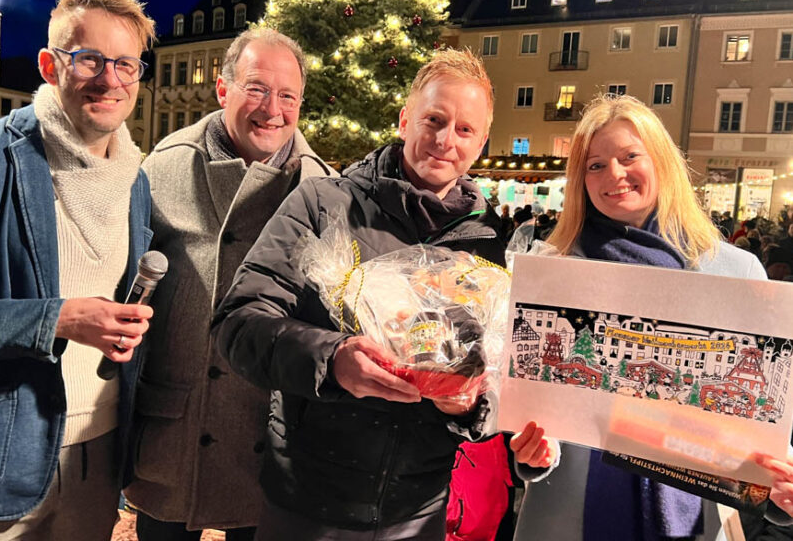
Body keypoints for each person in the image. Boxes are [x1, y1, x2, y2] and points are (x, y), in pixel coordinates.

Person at [212, 48, 555, 540]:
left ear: (482, 142)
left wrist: (472, 406)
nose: (443, 141)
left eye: (463, 129)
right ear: (404, 119)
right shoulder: (323, 204)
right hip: (308, 503)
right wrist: (332, 360)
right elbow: (238, 322)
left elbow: (501, 377)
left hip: (417, 513)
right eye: (433, 119)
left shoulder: (490, 244)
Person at [515, 93, 792, 540]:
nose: (615, 175)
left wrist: (781, 491)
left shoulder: (736, 271)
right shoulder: (553, 269)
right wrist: (528, 455)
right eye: (595, 165)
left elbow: (766, 411)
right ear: (579, 180)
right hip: (571, 516)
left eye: (629, 156)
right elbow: (528, 412)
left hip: (695, 517)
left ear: (661, 160)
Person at [0, 0, 156, 539]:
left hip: (98, 457)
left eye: (126, 64)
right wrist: (58, 319)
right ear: (49, 63)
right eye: (89, 59)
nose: (110, 79)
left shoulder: (135, 180)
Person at [123, 28, 334, 541]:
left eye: (288, 95)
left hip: (267, 435)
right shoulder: (167, 164)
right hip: (175, 423)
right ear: (223, 90)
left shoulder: (322, 187)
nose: (273, 109)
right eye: (257, 88)